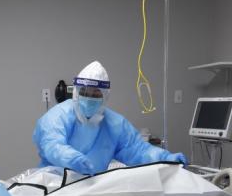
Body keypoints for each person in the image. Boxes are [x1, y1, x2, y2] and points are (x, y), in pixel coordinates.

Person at [34, 61, 187, 175]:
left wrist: (167, 158)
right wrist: (73, 159)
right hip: (54, 184)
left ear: (105, 96)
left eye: (96, 94)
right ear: (76, 92)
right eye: (85, 93)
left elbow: (137, 150)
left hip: (92, 187)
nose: (89, 98)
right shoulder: (58, 116)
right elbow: (52, 144)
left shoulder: (114, 124)